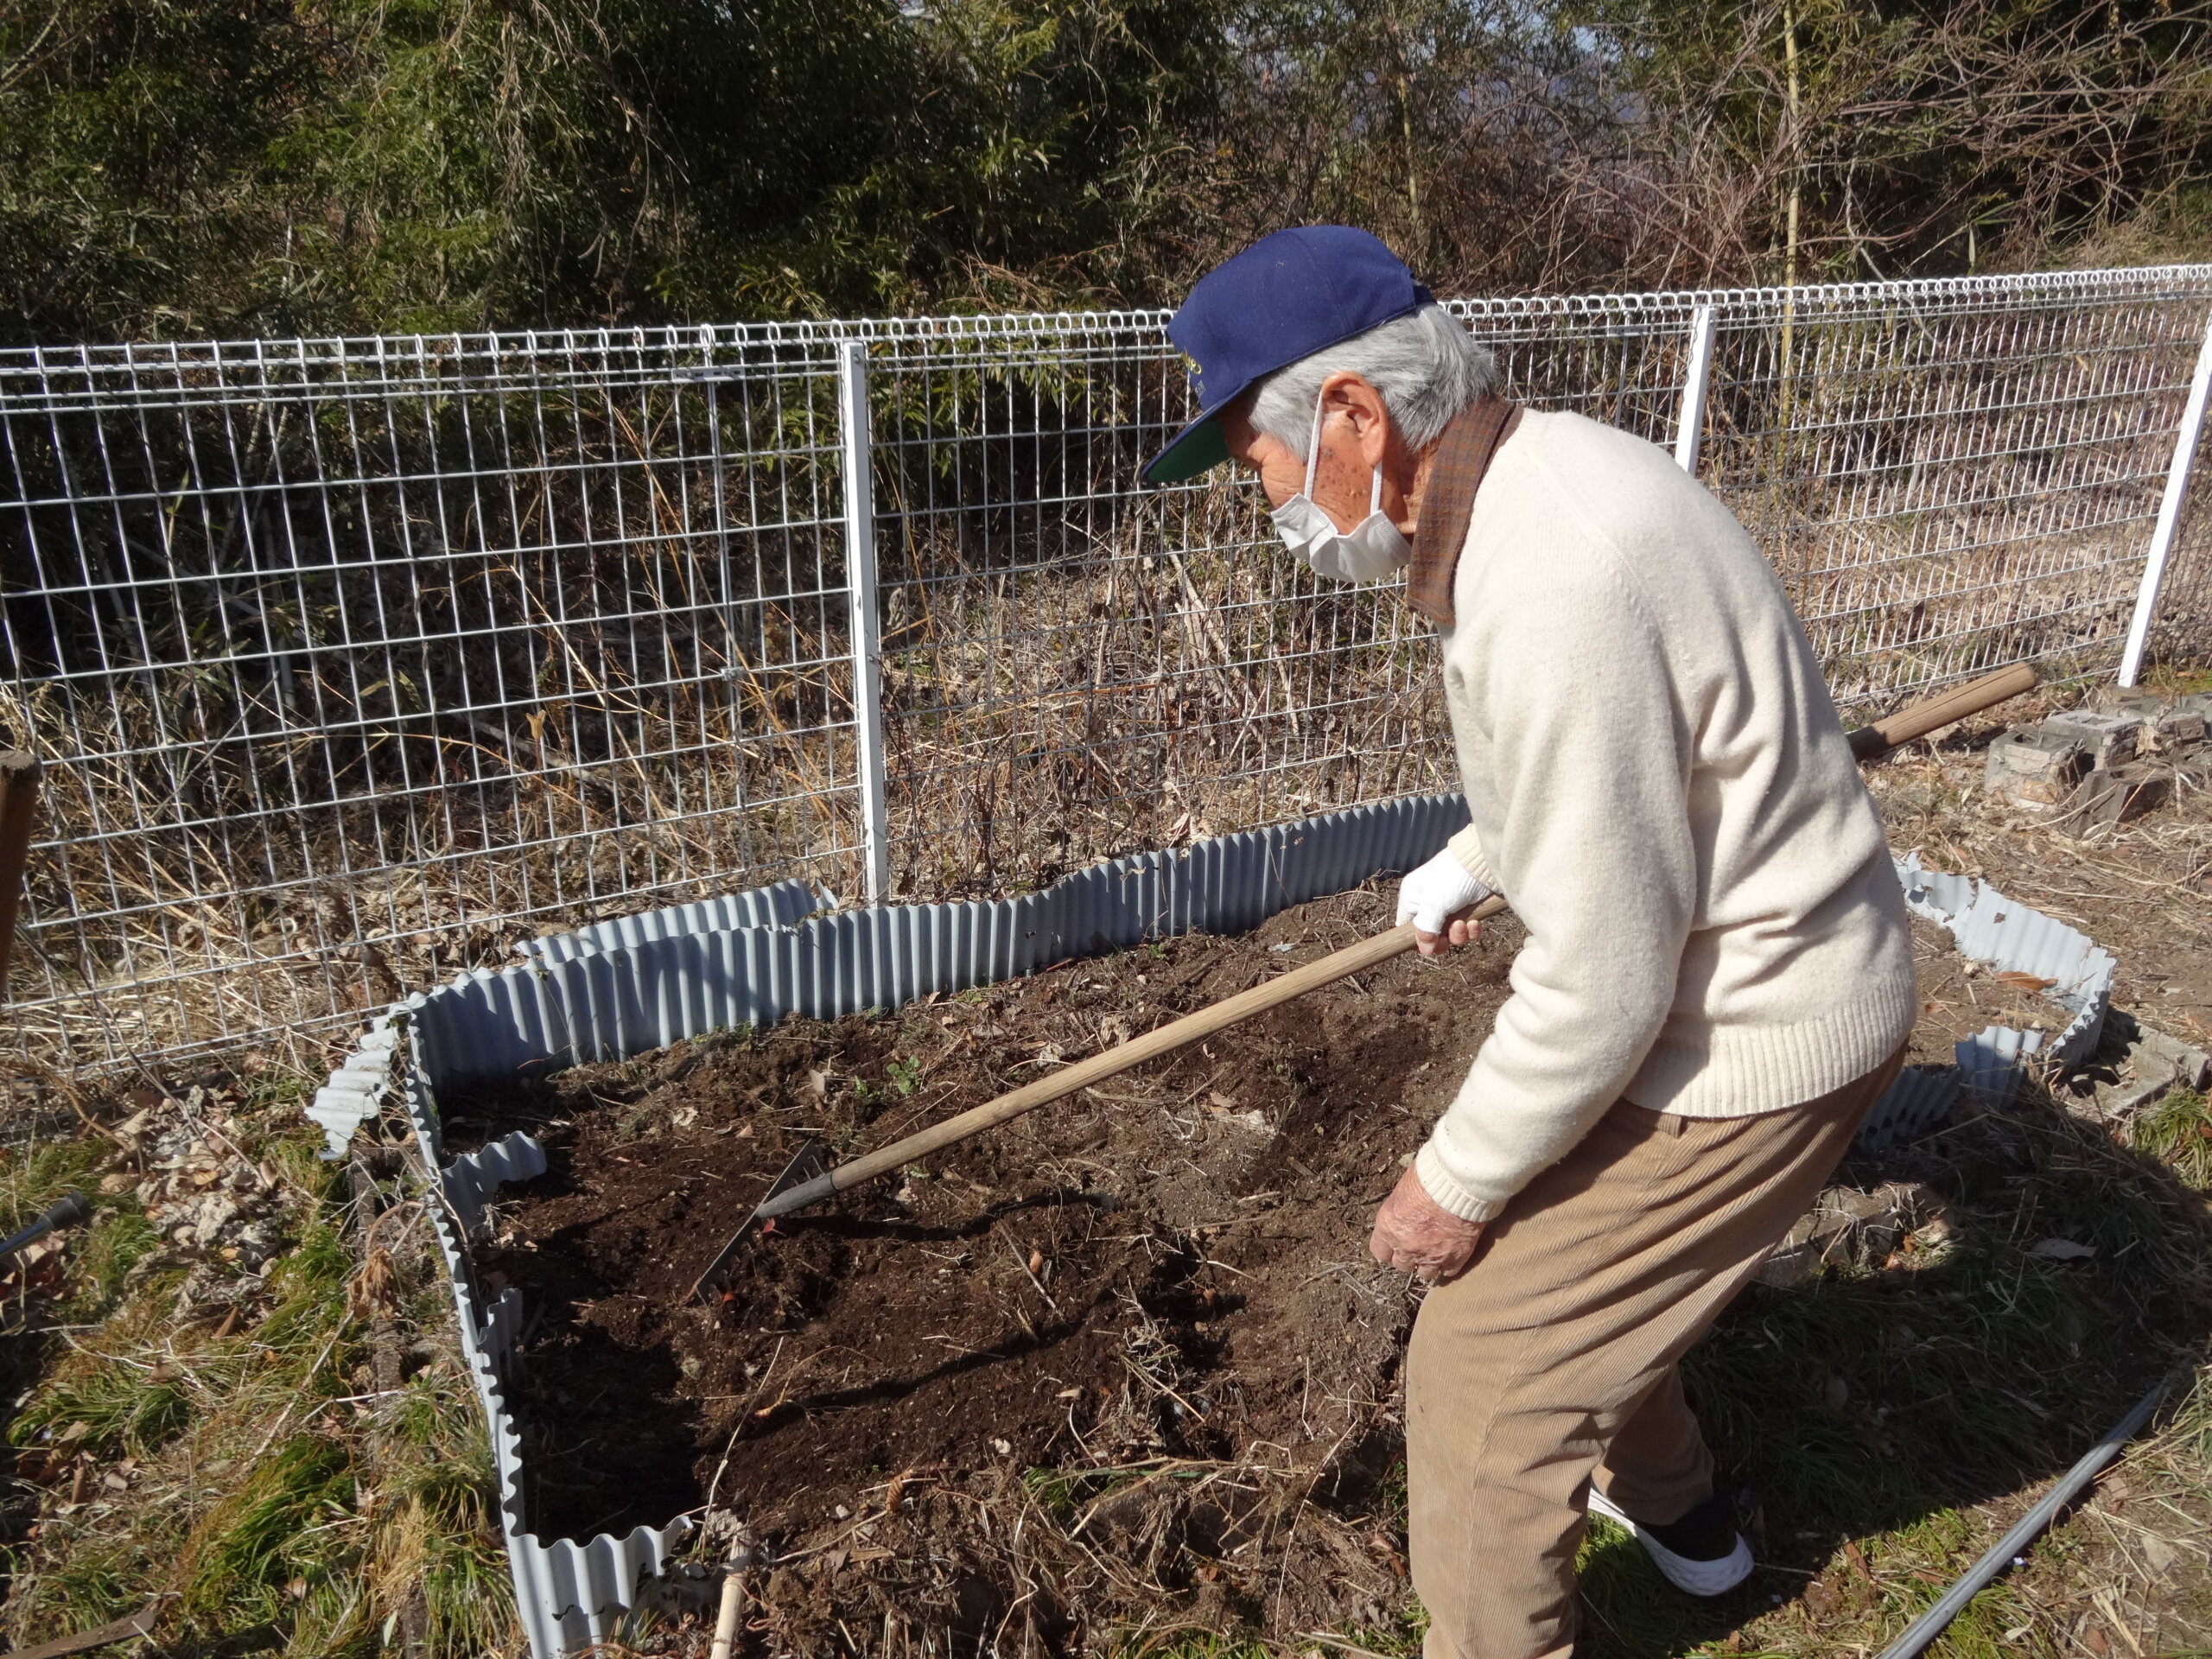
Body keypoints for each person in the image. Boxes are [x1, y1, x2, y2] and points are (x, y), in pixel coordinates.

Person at [1141, 226, 1914, 1659]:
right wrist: (1476, 854)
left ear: (1358, 418)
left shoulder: (1551, 583)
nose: (1265, 504)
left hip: (1756, 1028)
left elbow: (1606, 976)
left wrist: (1454, 1178)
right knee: (1575, 1298)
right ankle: (1698, 1541)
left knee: (1487, 1369)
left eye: (1259, 462)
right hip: (1757, 972)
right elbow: (1629, 761)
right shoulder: (1547, 477)